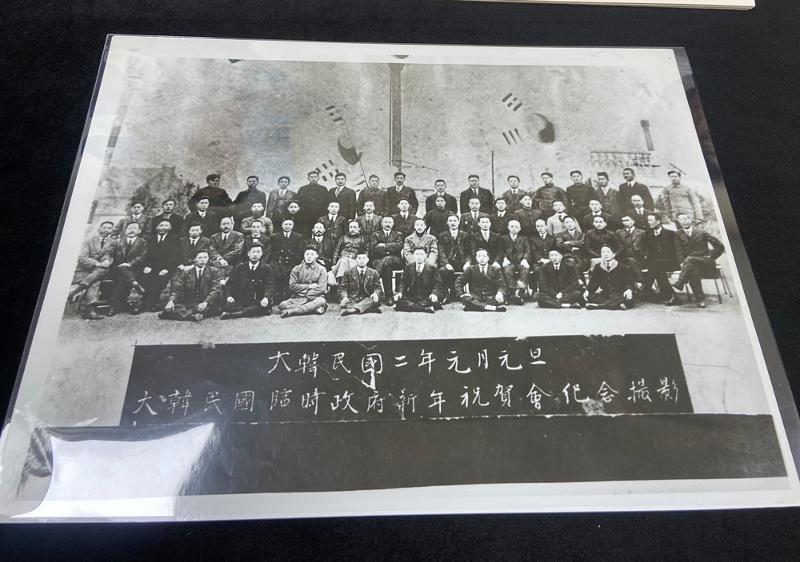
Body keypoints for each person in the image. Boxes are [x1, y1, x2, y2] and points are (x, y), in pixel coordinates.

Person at [672, 212, 725, 307]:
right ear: (679, 222)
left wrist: (711, 256)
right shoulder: (678, 234)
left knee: (689, 259)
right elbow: (678, 250)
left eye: (686, 219)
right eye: (681, 220)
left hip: (705, 262)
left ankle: (680, 282)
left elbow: (720, 246)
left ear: (690, 219)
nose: (684, 221)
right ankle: (700, 300)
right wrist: (681, 262)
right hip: (691, 265)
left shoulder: (702, 232)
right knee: (693, 270)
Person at [158, 249, 223, 321]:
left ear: (208, 259)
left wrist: (205, 303)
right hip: (190, 302)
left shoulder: (214, 271)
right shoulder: (187, 272)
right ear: (195, 259)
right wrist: (171, 302)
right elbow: (178, 289)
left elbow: (215, 290)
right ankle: (192, 316)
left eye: (205, 257)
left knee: (212, 308)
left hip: (205, 301)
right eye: (200, 258)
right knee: (173, 306)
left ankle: (178, 315)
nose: (202, 260)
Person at [69, 221, 114, 320]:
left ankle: (75, 291)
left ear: (112, 230)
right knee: (95, 280)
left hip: (98, 271)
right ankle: (90, 310)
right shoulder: (88, 241)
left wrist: (107, 261)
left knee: (100, 273)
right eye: (104, 227)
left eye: (109, 228)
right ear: (99, 229)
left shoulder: (112, 242)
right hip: (83, 271)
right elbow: (82, 258)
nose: (106, 230)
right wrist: (97, 263)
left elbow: (108, 255)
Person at [136, 218, 182, 313]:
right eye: (161, 225)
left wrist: (167, 268)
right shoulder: (149, 239)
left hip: (166, 267)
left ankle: (145, 302)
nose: (163, 228)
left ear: (170, 228)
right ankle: (150, 301)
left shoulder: (174, 240)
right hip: (150, 266)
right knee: (144, 278)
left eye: (166, 226)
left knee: (160, 279)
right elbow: (145, 254)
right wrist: (147, 266)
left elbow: (174, 257)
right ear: (157, 227)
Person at [220, 245, 275, 319]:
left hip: (258, 299)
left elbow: (270, 285)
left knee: (264, 306)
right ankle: (247, 311)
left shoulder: (267, 268)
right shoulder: (240, 267)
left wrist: (266, 298)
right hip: (242, 299)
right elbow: (230, 283)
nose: (255, 254)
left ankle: (236, 314)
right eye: (253, 252)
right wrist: (229, 296)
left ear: (261, 254)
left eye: (258, 252)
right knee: (228, 305)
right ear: (248, 253)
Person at [107, 222, 148, 315]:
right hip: (117, 268)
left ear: (139, 231)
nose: (132, 230)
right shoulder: (117, 241)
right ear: (125, 231)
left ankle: (114, 306)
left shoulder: (142, 242)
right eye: (129, 228)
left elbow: (142, 256)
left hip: (134, 269)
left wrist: (129, 264)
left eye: (134, 228)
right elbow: (110, 254)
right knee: (120, 275)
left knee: (122, 279)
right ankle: (135, 284)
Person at [277, 248, 328, 318]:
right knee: (282, 305)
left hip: (315, 297)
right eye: (307, 254)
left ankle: (291, 312)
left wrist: (307, 296)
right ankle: (312, 309)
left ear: (316, 256)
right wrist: (309, 286)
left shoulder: (322, 269)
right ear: (304, 255)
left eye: (312, 254)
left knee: (321, 301)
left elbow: (321, 288)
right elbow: (292, 286)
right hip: (298, 298)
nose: (309, 256)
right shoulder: (296, 269)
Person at [642, 212, 679, 306]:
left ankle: (646, 287)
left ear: (658, 221)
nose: (648, 222)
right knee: (658, 268)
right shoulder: (648, 234)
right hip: (656, 264)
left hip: (671, 262)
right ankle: (671, 295)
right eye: (648, 220)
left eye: (651, 220)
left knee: (656, 264)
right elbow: (647, 250)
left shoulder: (670, 234)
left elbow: (676, 250)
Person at [585, 245, 634, 310]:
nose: (605, 254)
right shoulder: (598, 267)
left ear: (613, 254)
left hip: (618, 293)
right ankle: (615, 305)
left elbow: (629, 281)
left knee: (628, 298)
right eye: (603, 252)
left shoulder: (621, 266)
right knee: (589, 296)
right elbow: (594, 282)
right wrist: (588, 291)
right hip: (605, 294)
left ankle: (599, 306)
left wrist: (628, 290)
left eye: (608, 252)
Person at [395, 247, 442, 313]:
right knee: (399, 301)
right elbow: (403, 282)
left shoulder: (432, 268)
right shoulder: (409, 266)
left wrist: (434, 294)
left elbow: (437, 284)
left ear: (426, 255)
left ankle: (412, 307)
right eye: (417, 254)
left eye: (421, 254)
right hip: (412, 296)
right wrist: (400, 293)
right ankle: (424, 309)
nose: (419, 256)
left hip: (426, 296)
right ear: (413, 255)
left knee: (432, 301)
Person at [269, 218, 306, 302]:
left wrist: (293, 259)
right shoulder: (274, 236)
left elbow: (300, 252)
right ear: (282, 226)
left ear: (293, 226)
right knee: (275, 272)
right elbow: (271, 251)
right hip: (278, 261)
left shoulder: (298, 237)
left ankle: (287, 296)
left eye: (290, 224)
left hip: (291, 261)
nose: (287, 226)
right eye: (285, 224)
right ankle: (277, 296)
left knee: (291, 275)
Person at [437, 214, 471, 303]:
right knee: (443, 271)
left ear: (459, 222)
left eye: (455, 221)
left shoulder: (465, 235)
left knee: (469, 270)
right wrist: (446, 264)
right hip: (449, 262)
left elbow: (469, 252)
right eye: (450, 221)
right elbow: (441, 252)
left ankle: (459, 293)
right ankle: (446, 294)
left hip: (462, 262)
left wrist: (467, 262)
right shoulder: (442, 235)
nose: (453, 223)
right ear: (447, 223)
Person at [370, 216, 405, 303]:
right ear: (381, 224)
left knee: (388, 259)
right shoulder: (375, 234)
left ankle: (374, 280)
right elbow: (373, 248)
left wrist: (384, 245)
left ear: (393, 224)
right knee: (387, 268)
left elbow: (398, 246)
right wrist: (390, 249)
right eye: (385, 222)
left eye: (390, 222)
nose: (387, 224)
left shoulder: (398, 234)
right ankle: (389, 296)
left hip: (396, 260)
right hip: (378, 260)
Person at [498, 219, 532, 304]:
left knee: (525, 270)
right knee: (507, 270)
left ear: (520, 229)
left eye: (516, 227)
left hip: (521, 261)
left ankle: (519, 291)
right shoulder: (503, 238)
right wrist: (504, 258)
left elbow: (528, 250)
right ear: (508, 227)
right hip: (509, 261)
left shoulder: (524, 238)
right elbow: (501, 250)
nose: (514, 228)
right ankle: (512, 291)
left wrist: (525, 259)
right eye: (512, 226)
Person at [339, 251, 383, 316]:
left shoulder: (374, 272)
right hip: (353, 299)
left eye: (364, 258)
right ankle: (367, 309)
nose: (362, 260)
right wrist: (344, 297)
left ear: (368, 260)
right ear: (356, 260)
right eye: (359, 258)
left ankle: (353, 310)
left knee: (373, 301)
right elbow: (343, 288)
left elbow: (378, 287)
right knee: (347, 302)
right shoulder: (348, 272)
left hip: (367, 298)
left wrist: (375, 294)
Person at [295, 171, 329, 237]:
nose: (313, 179)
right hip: (305, 216)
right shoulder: (302, 189)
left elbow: (327, 203)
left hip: (320, 215)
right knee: (306, 233)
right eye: (311, 177)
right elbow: (298, 202)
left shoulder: (323, 189)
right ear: (308, 178)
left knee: (319, 232)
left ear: (318, 178)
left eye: (315, 177)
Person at [615, 213, 646, 285]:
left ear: (633, 221)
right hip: (623, 257)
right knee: (628, 263)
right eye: (623, 221)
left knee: (630, 262)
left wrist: (645, 255)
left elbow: (646, 245)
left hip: (638, 257)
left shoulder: (641, 232)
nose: (625, 222)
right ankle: (639, 282)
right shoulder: (619, 232)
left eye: (627, 220)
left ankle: (638, 282)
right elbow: (617, 246)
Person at [529, 218, 556, 292]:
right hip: (538, 262)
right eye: (538, 226)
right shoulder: (533, 239)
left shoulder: (552, 238)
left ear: (546, 226)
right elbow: (533, 251)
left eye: (541, 226)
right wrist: (541, 259)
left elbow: (554, 250)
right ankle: (538, 291)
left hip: (551, 261)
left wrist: (550, 259)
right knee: (537, 270)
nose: (540, 228)